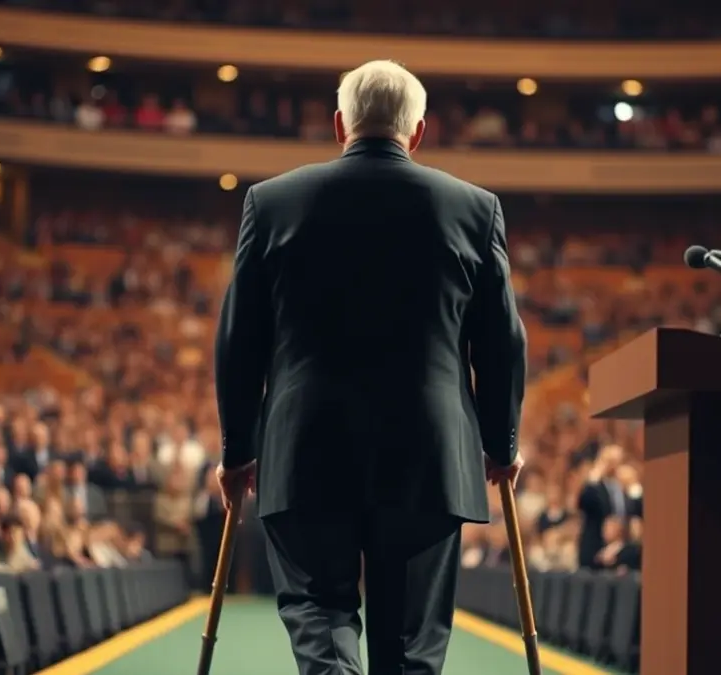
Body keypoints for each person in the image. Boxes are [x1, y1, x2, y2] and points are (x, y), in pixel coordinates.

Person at [214, 59, 527, 675]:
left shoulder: (270, 203)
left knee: (322, 619)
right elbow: (501, 343)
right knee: (410, 647)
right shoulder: (475, 209)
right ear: (417, 132)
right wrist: (500, 442)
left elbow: (239, 339)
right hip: (428, 456)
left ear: (339, 125)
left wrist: (236, 450)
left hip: (305, 449)